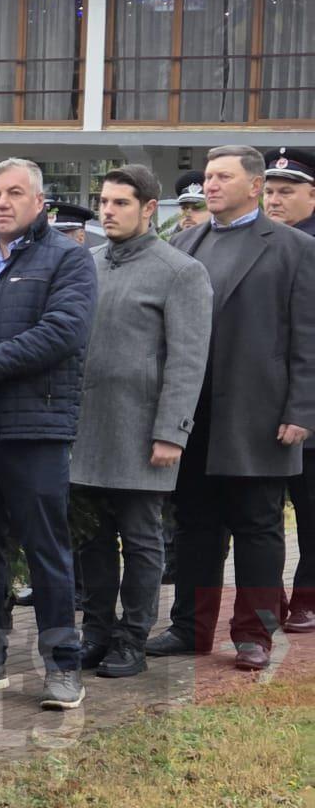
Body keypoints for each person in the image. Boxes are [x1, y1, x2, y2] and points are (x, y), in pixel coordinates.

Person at [0, 158, 96, 709]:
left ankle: (62, 666)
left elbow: (62, 333)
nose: (1, 203)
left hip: (35, 427)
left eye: (14, 193)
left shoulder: (68, 259)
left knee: (46, 550)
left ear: (39, 201)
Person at [151, 146, 315, 670]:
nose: (211, 184)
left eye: (223, 176)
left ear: (254, 186)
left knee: (258, 524)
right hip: (191, 413)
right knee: (194, 524)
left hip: (258, 412)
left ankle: (254, 634)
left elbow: (307, 339)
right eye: (208, 175)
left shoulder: (293, 248)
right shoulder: (183, 243)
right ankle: (190, 628)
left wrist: (302, 409)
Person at [66, 165, 211, 678]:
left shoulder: (180, 271)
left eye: (121, 203)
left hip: (141, 430)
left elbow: (188, 359)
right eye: (104, 201)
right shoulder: (87, 262)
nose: (108, 211)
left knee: (143, 539)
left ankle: (132, 639)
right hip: (84, 429)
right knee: (91, 539)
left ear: (150, 209)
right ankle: (97, 633)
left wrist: (172, 431)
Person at [265, 153, 315, 629]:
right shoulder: (260, 242)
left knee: (311, 509)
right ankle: (271, 597)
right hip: (260, 405)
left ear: (312, 195)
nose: (275, 199)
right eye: (271, 190)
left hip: (308, 404)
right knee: (260, 514)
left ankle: (307, 598)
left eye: (287, 191)